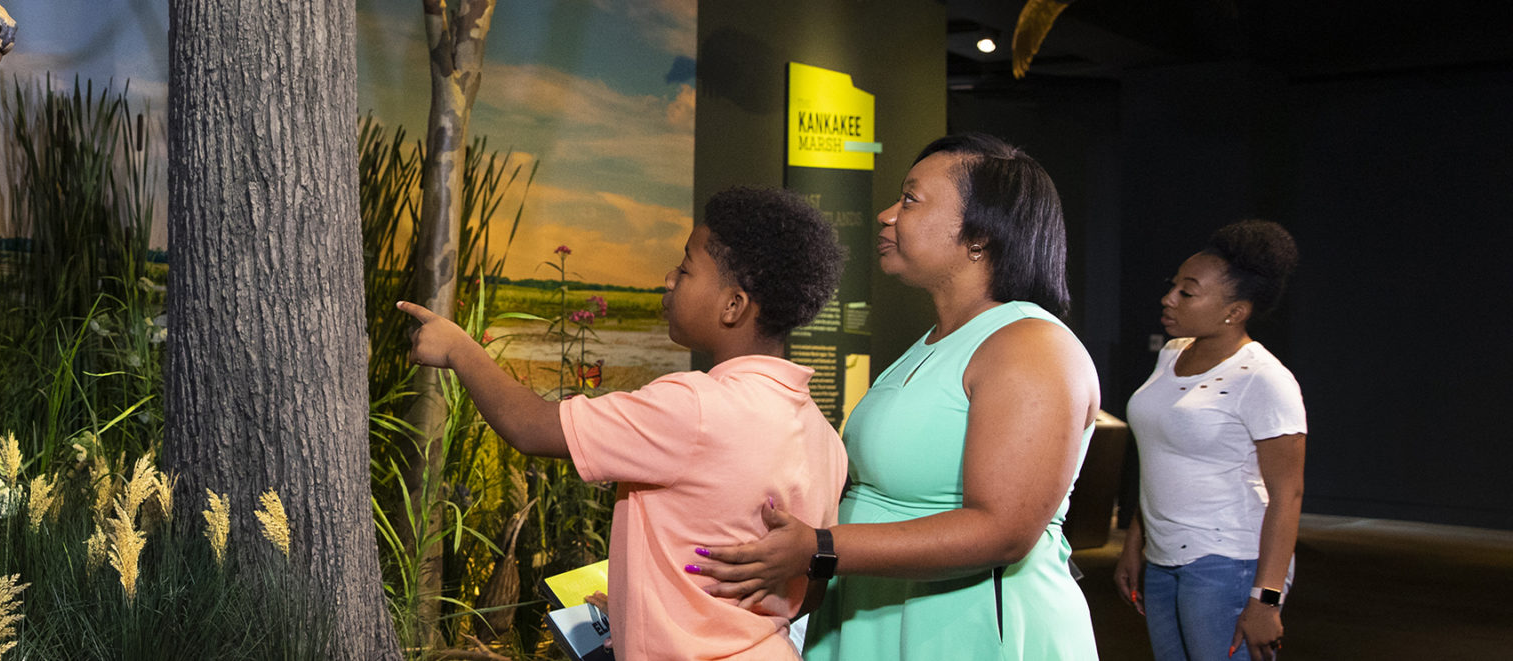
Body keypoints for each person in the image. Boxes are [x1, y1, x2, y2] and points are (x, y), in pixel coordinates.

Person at [689, 133, 1101, 659]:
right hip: (881, 612)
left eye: (910, 199)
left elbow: (1002, 530)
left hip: (961, 627)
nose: (887, 215)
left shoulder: (1031, 346)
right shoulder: (936, 341)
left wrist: (820, 548)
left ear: (979, 235)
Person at [400, 185, 850, 660]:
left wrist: (458, 348)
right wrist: (647, 612)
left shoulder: (693, 407)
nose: (670, 278)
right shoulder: (824, 438)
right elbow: (810, 591)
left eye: (686, 267)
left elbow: (531, 427)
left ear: (733, 305)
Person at [1116, 220, 1304, 661]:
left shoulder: (1264, 379)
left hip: (1227, 565)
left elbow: (1288, 494)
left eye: (1188, 291)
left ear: (1234, 311)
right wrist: (1134, 543)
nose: (1169, 298)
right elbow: (1160, 459)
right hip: (1164, 562)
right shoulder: (1170, 354)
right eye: (1173, 285)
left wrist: (1266, 599)